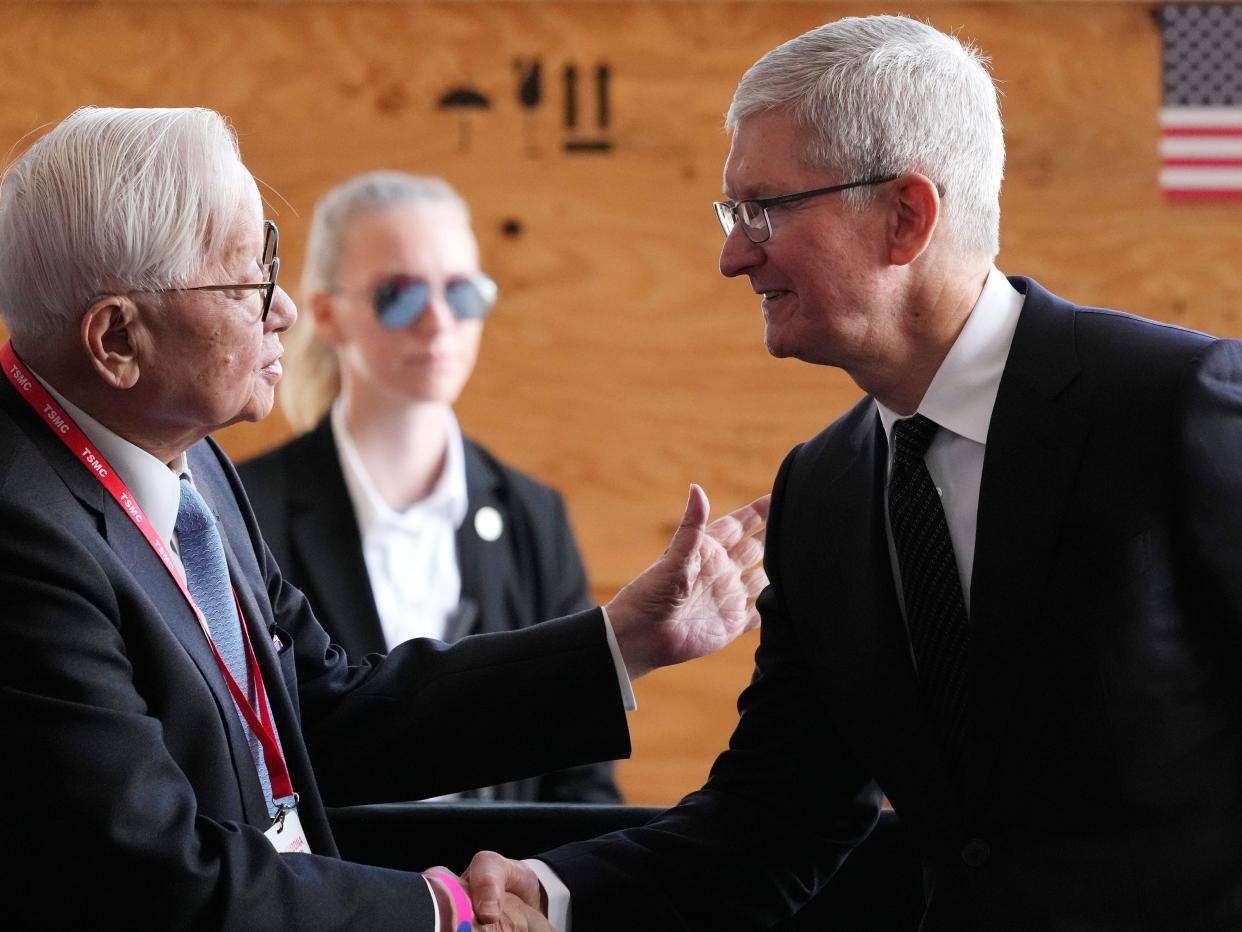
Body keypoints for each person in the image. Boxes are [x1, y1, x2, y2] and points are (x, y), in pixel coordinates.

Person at [465, 14, 1242, 931]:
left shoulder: (1173, 406)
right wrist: (550, 898)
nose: (731, 255)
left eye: (763, 210)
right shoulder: (821, 495)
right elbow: (776, 820)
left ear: (906, 216)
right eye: (731, 214)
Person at [0, 106, 768, 931]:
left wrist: (621, 642)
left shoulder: (187, 458)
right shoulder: (23, 539)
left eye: (272, 258)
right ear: (117, 339)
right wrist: (445, 914)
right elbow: (160, 876)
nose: (283, 309)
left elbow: (320, 713)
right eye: (246, 280)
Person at [238, 171, 620, 804]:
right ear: (329, 314)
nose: (439, 322)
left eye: (462, 292)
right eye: (400, 295)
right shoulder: (248, 511)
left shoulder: (532, 515)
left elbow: (582, 777)